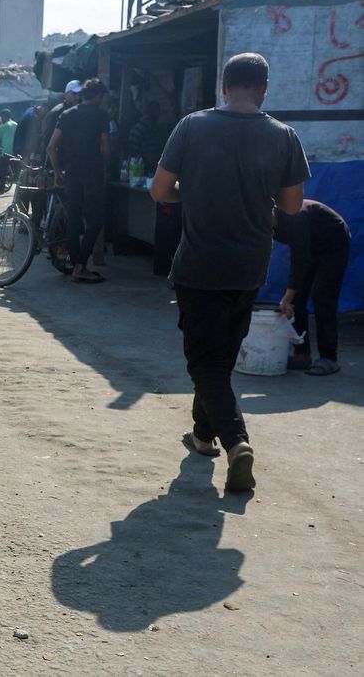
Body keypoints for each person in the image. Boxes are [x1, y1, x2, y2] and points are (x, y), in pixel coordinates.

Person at [150, 52, 310, 492]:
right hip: (249, 267)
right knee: (219, 360)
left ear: (223, 86)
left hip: (199, 265)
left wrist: (195, 192)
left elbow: (160, 190)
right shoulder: (283, 136)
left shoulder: (192, 126)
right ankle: (203, 437)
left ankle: (237, 443)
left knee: (206, 363)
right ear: (263, 89)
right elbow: (293, 206)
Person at [274, 200, 352, 376]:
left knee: (322, 297)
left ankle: (329, 358)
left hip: (333, 241)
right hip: (310, 245)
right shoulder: (262, 222)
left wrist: (286, 298)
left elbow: (300, 260)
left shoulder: (294, 217)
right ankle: (302, 354)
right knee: (297, 300)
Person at [48, 77, 111, 283]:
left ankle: (75, 264)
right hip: (92, 172)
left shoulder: (66, 114)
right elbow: (105, 147)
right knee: (96, 220)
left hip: (71, 172)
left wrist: (58, 172)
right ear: (98, 96)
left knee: (74, 218)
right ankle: (81, 266)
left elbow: (51, 146)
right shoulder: (101, 115)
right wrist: (106, 168)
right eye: (102, 96)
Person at [41, 80, 82, 159]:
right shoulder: (57, 112)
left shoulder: (78, 111)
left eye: (80, 94)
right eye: (74, 93)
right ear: (66, 94)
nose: (78, 97)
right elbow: (48, 141)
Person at [126, 100, 166, 175]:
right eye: (158, 113)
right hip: (143, 169)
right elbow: (150, 157)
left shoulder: (136, 127)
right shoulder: (147, 130)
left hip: (133, 166)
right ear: (153, 113)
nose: (159, 116)